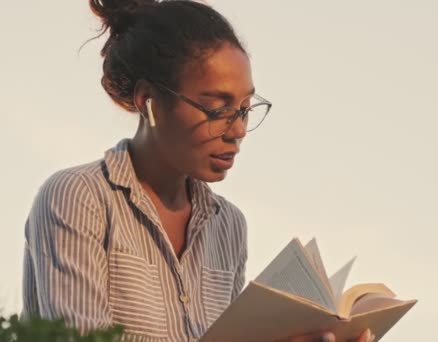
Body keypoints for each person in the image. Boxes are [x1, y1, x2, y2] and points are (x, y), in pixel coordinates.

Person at [20, 1, 373, 341]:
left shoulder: (229, 227)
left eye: (245, 108)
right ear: (149, 101)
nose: (237, 130)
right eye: (217, 109)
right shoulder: (78, 197)